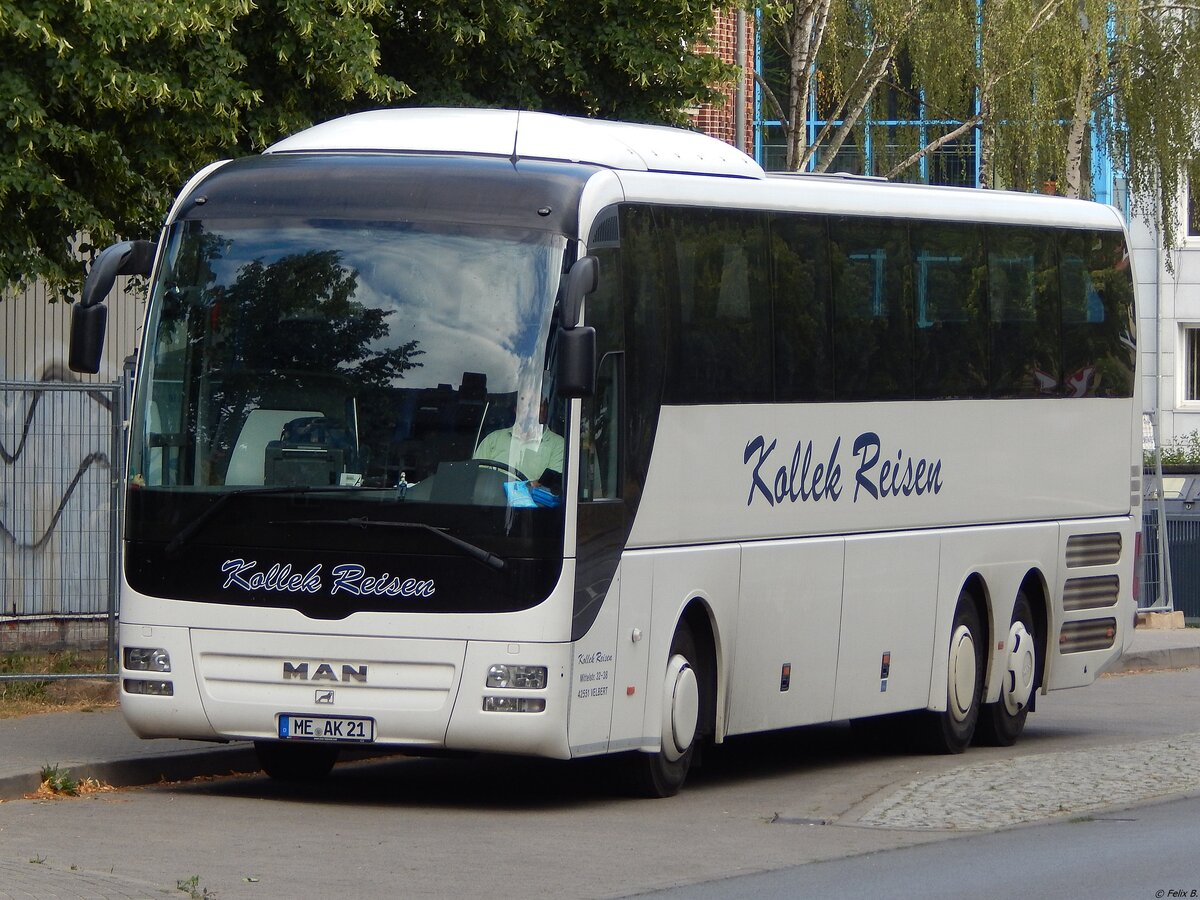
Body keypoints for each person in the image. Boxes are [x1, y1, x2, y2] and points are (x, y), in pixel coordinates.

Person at [473, 396, 563, 491]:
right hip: (489, 503)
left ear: (545, 410)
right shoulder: (493, 439)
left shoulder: (558, 445)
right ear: (516, 409)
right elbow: (475, 477)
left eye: (537, 405)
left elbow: (551, 486)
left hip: (533, 505)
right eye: (526, 405)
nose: (531, 411)